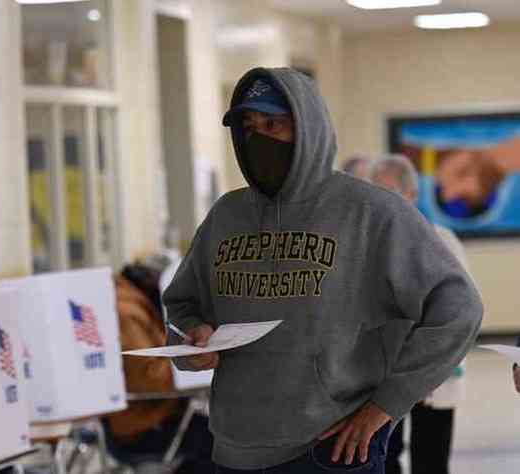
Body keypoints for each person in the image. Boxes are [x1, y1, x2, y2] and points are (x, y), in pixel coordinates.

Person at [163, 67, 482, 474]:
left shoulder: (371, 212)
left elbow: (457, 309)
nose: (258, 137)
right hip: (235, 445)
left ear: (307, 127)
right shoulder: (227, 215)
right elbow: (182, 305)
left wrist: (386, 406)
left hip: (331, 449)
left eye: (273, 124)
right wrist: (192, 339)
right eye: (248, 126)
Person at [368, 154, 469, 474]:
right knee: (384, 457)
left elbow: (461, 311)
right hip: (381, 376)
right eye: (376, 191)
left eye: (391, 191)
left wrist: (429, 369)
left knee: (430, 460)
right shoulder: (368, 243)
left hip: (433, 375)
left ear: (412, 194)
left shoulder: (442, 241)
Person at [107, 263, 214, 474]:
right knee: (221, 443)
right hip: (141, 429)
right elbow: (147, 376)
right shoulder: (126, 312)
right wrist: (191, 362)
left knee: (220, 436)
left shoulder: (131, 304)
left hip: (150, 418)